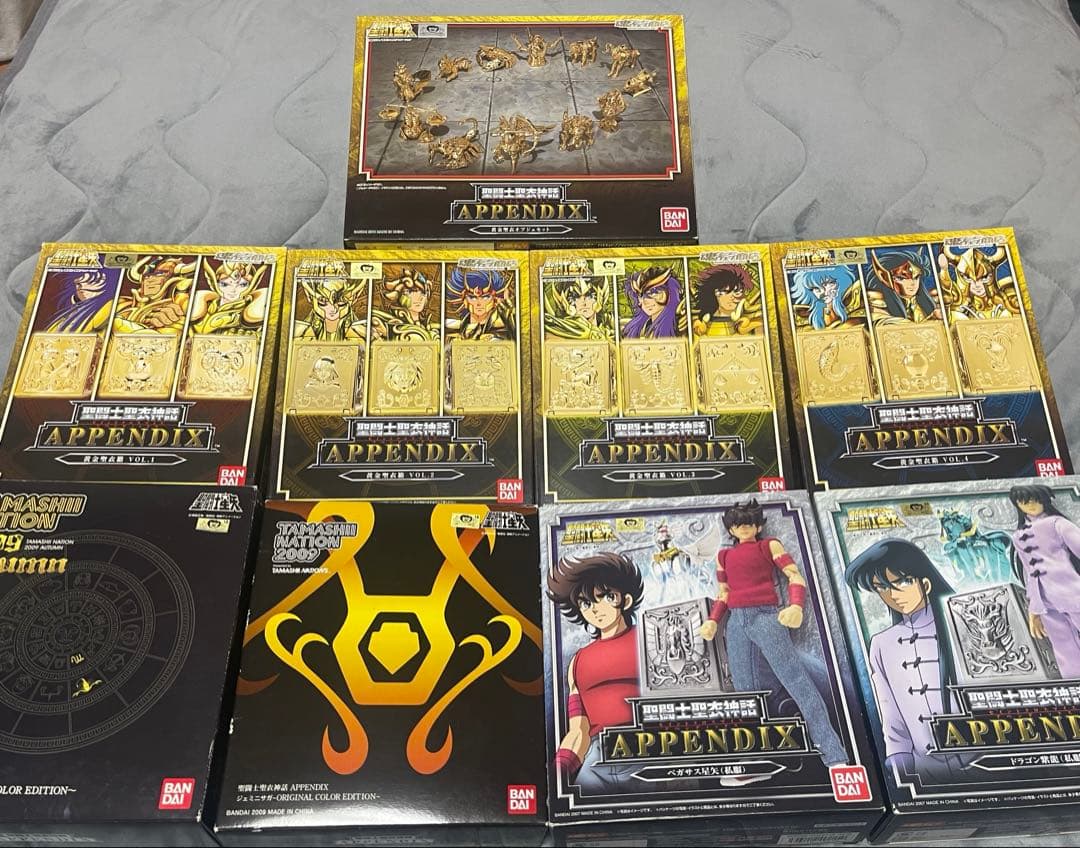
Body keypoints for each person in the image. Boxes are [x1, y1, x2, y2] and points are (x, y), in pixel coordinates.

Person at [699, 500, 847, 766]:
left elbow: (795, 576)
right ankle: (755, 754)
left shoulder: (768, 545)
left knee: (796, 680)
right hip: (736, 622)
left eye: (749, 523)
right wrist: (713, 620)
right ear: (731, 529)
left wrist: (796, 606)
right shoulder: (724, 556)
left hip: (766, 617)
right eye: (738, 524)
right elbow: (724, 594)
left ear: (758, 526)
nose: (744, 527)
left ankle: (833, 752)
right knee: (744, 692)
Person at [845, 538, 959, 775]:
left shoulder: (962, 624)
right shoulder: (881, 644)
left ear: (925, 583)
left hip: (983, 755)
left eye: (902, 582)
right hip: (925, 769)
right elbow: (890, 711)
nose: (892, 595)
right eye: (881, 587)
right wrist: (898, 757)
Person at [547, 552, 643, 794]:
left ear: (625, 600)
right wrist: (556, 774)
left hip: (651, 748)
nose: (595, 610)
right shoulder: (578, 661)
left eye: (606, 597)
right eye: (586, 603)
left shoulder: (649, 640)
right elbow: (578, 732)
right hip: (599, 757)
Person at [1009, 484, 1080, 678]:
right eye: (1023, 501)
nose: (1030, 504)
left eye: (1035, 499)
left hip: (1072, 593)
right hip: (1046, 603)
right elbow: (1030, 574)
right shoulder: (1018, 536)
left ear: (1045, 500)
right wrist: (1034, 609)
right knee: (1064, 647)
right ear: (1017, 505)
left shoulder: (1057, 524)